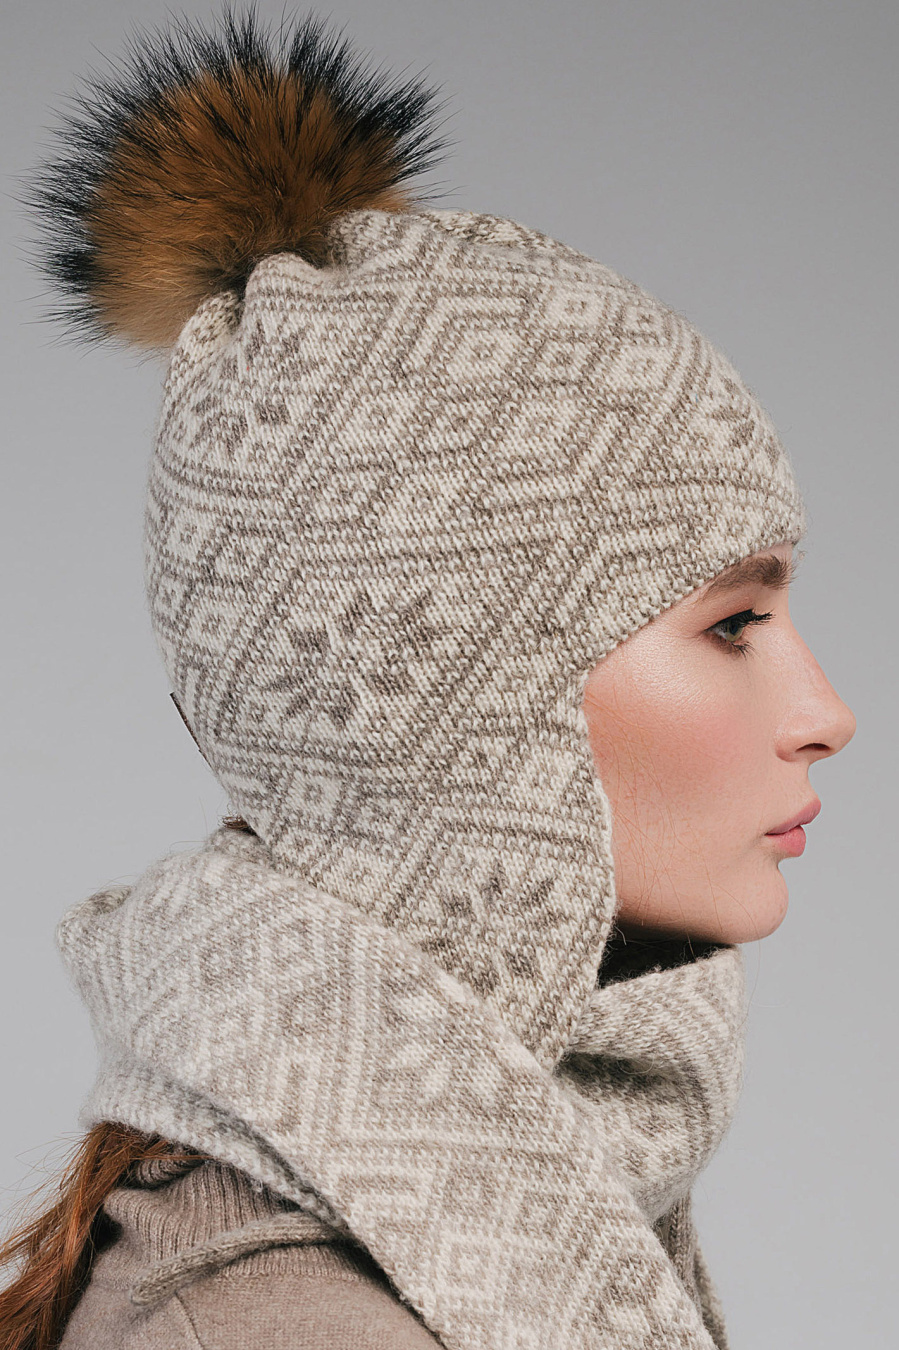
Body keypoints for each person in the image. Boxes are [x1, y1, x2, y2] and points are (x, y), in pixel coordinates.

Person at [0, 10, 855, 1350]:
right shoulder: (294, 1327)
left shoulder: (498, 1209)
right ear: (450, 711)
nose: (827, 715)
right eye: (734, 623)